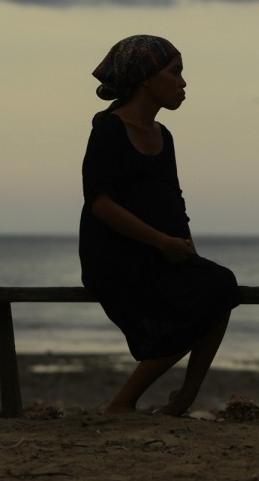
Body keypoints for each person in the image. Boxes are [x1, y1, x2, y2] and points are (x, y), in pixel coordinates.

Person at [79, 35, 240, 416]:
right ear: (147, 78)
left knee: (220, 286)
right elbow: (100, 203)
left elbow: (174, 204)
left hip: (160, 250)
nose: (183, 82)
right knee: (210, 292)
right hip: (116, 254)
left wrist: (189, 254)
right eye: (176, 72)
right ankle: (123, 402)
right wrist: (161, 243)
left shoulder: (163, 136)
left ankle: (184, 397)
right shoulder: (108, 129)